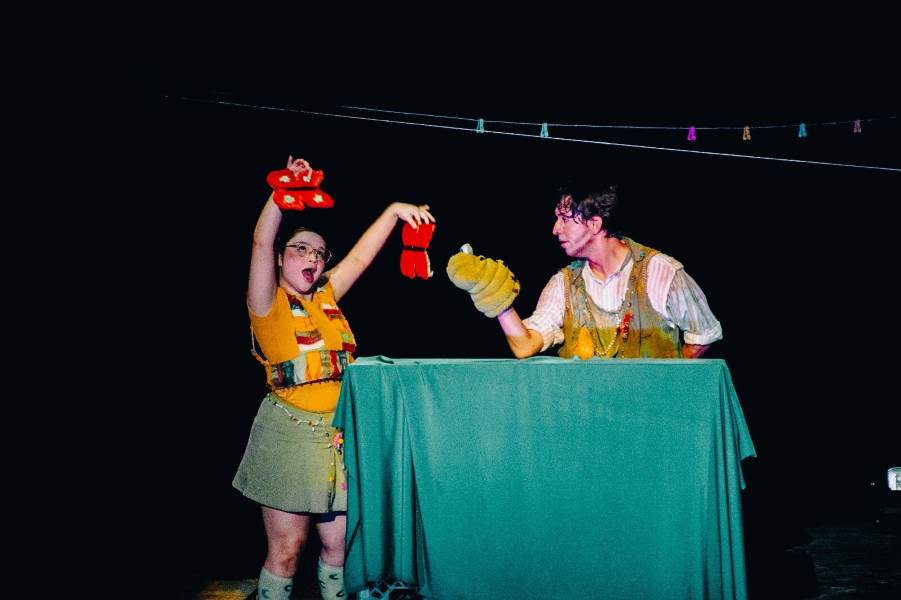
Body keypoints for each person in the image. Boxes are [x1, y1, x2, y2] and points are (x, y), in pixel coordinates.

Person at [233, 156, 435, 600]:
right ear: (281, 258)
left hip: (338, 437)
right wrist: (283, 193)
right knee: (287, 551)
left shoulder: (326, 296)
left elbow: (360, 256)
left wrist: (394, 211)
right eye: (300, 249)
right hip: (289, 434)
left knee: (339, 548)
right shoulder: (267, 303)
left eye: (319, 252)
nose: (311, 257)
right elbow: (260, 240)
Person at [450, 184, 721, 359]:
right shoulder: (563, 284)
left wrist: (663, 388)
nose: (555, 229)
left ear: (594, 224)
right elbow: (525, 346)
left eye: (564, 219)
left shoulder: (661, 273)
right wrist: (501, 305)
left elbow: (704, 335)